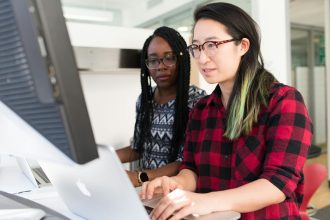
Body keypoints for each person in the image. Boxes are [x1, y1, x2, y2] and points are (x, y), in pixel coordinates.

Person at [140, 3, 313, 220]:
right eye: (197, 47)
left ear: (243, 46)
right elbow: (191, 169)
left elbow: (277, 183)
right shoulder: (201, 110)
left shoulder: (283, 101)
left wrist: (204, 201)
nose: (202, 58)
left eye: (212, 44)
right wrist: (176, 183)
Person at [117, 26, 206, 187]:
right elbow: (138, 148)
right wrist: (103, 158)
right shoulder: (145, 100)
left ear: (181, 60)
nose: (160, 66)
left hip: (176, 192)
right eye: (153, 60)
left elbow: (186, 161)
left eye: (169, 58)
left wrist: (139, 177)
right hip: (147, 192)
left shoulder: (197, 102)